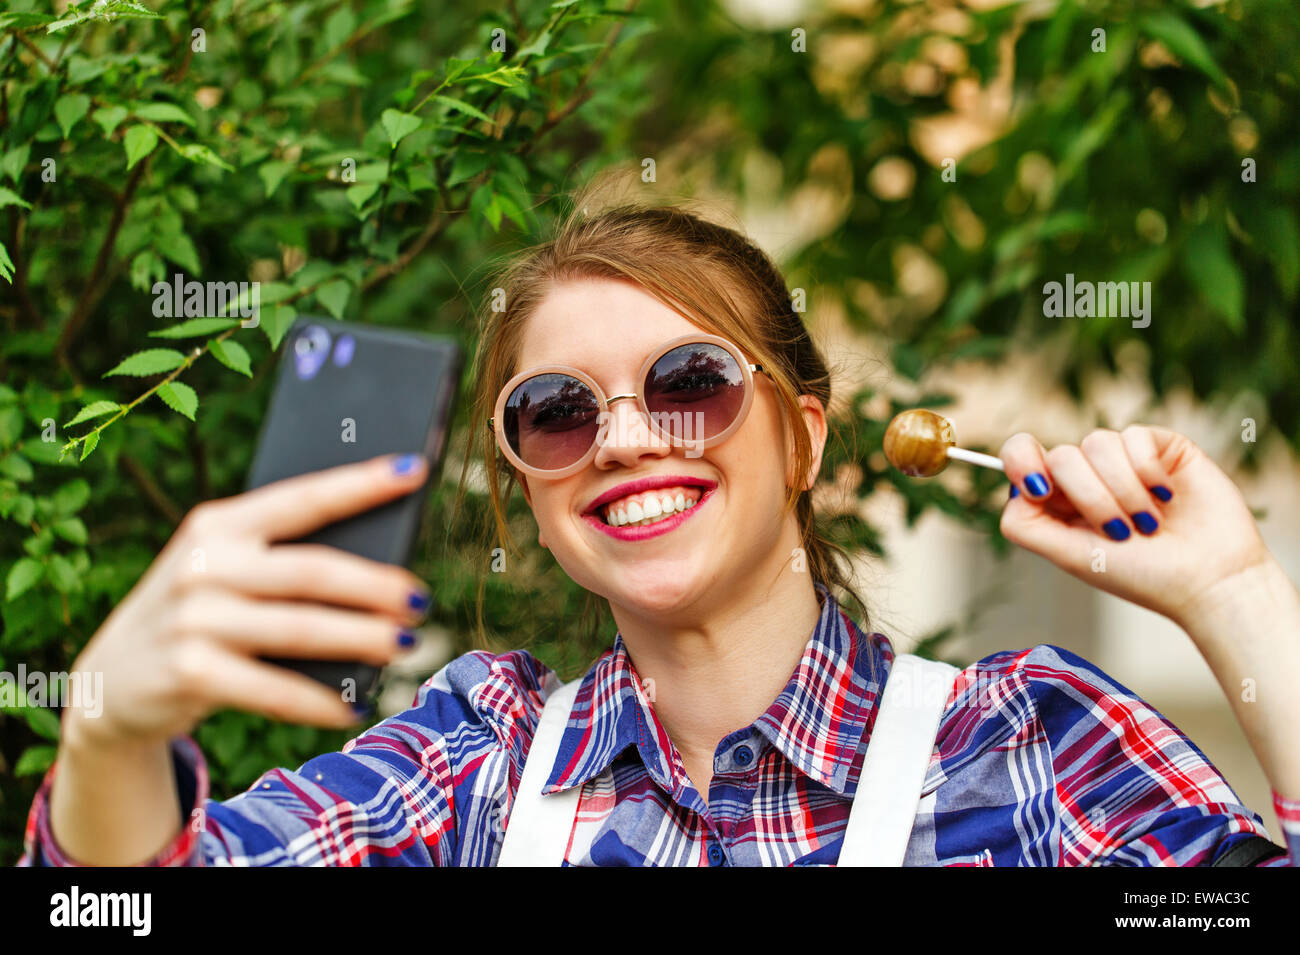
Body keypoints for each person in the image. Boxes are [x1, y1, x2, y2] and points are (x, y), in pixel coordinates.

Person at [19, 197, 1300, 867]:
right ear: (527, 478)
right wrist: (109, 732)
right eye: (559, 410)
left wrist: (1240, 594)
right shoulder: (475, 767)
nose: (626, 437)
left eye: (688, 381)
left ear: (803, 436)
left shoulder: (1026, 749)